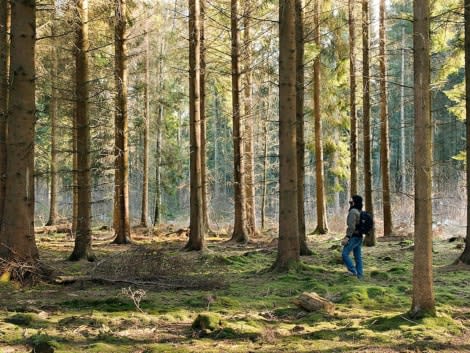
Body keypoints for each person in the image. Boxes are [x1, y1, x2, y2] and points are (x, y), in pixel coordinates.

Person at [341, 195, 364, 278]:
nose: (350, 202)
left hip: (353, 237)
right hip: (360, 237)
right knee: (358, 257)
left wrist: (347, 237)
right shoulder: (359, 211)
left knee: (344, 254)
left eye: (351, 201)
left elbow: (351, 226)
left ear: (354, 202)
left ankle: (353, 271)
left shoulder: (353, 212)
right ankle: (360, 275)